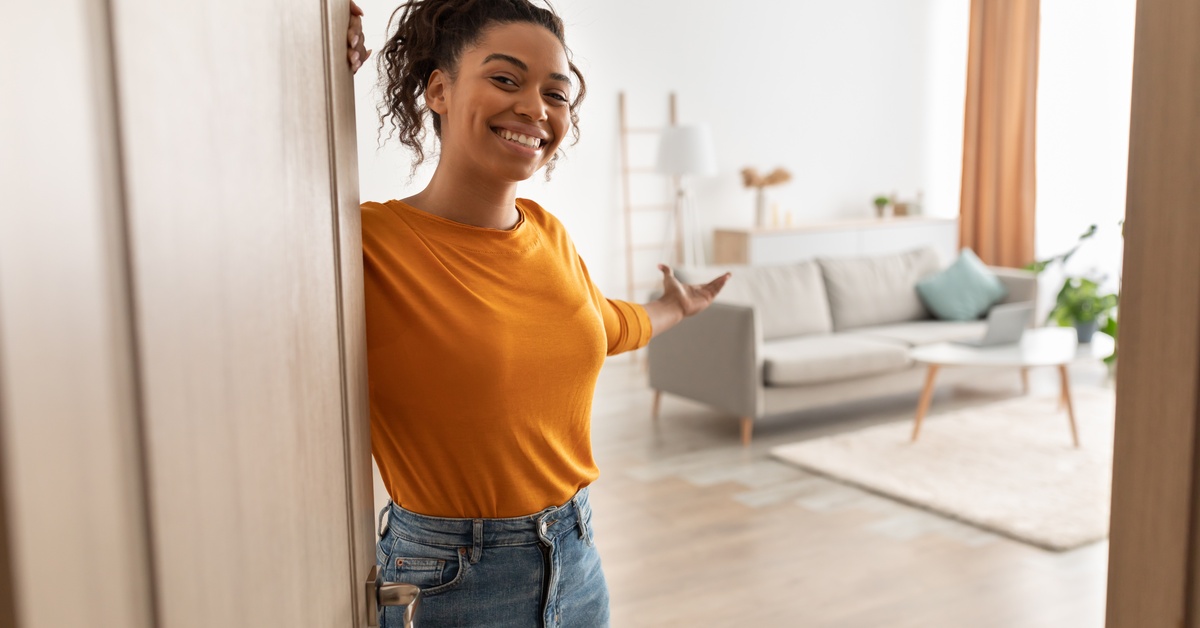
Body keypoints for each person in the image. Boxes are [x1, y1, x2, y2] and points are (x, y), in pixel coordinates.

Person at [346, 1, 729, 625]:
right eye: (505, 79)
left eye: (557, 92)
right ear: (438, 89)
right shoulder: (366, 241)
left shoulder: (547, 233)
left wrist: (673, 308)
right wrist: (301, 68)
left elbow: (599, 327)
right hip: (451, 579)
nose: (535, 108)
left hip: (576, 556)